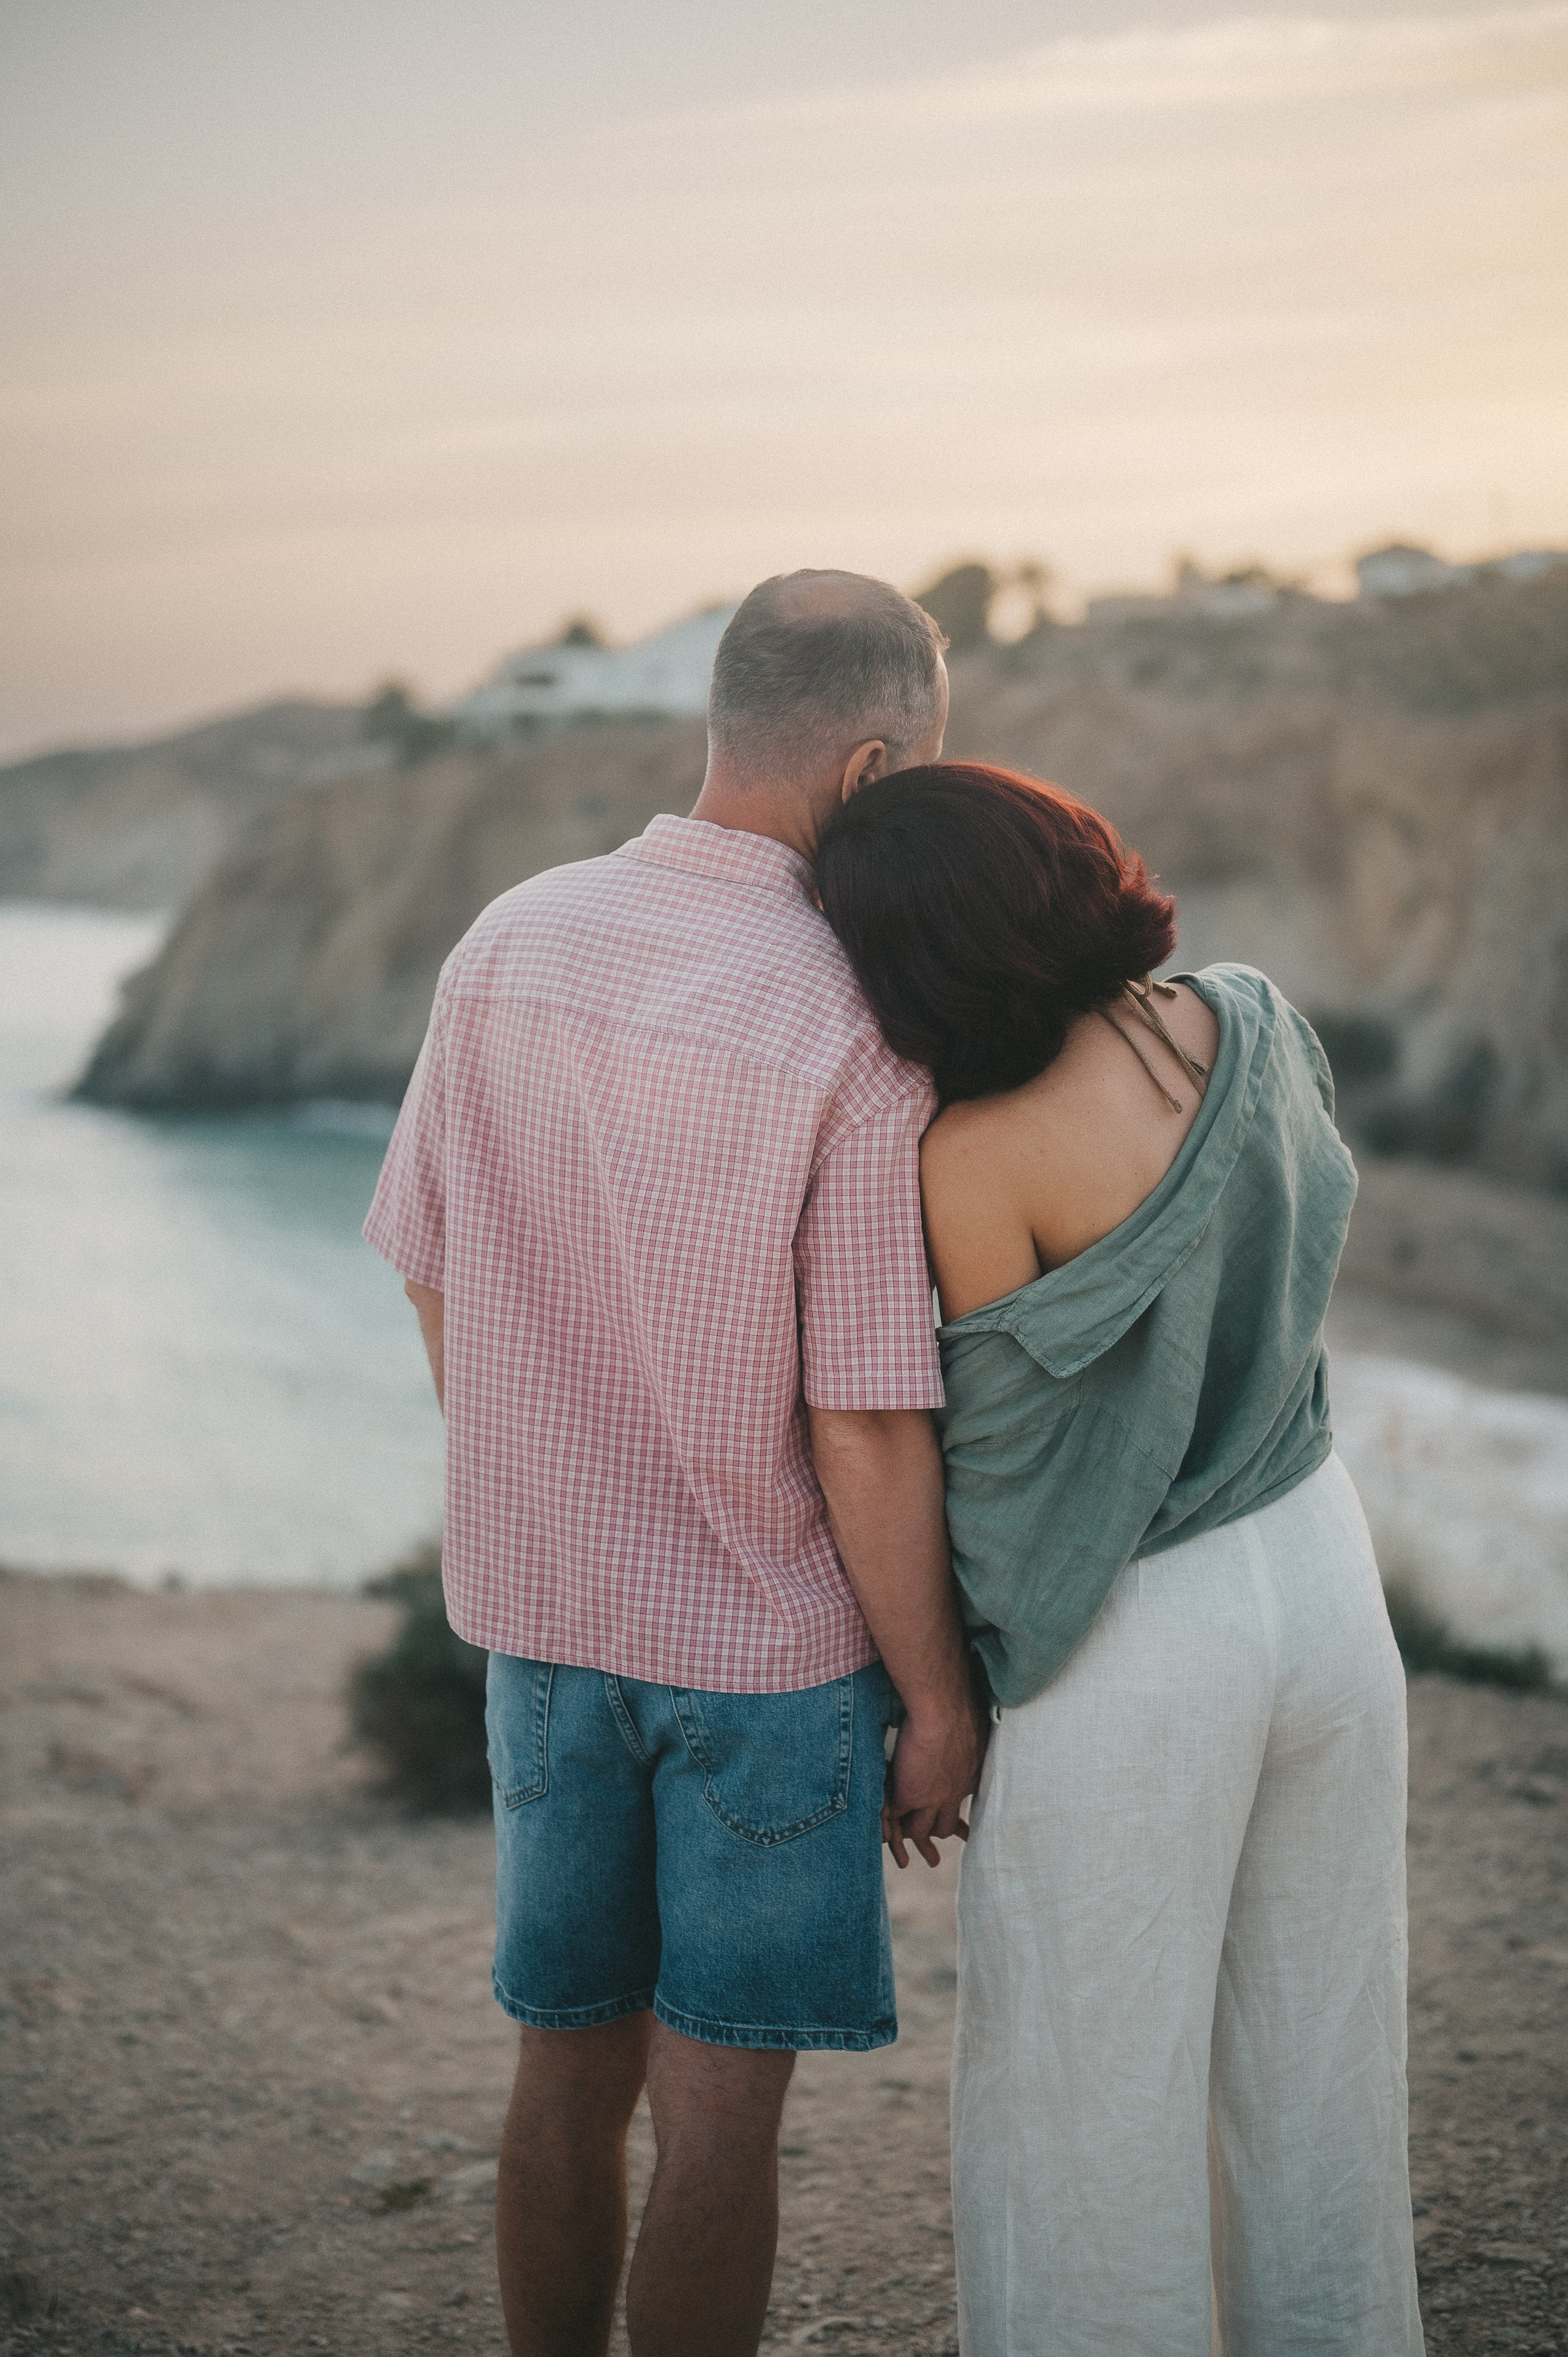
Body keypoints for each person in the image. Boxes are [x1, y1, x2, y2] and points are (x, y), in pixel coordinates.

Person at [363, 571, 986, 2357]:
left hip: (547, 1634)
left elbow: (427, 1261)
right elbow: (863, 1417)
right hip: (768, 1668)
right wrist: (937, 1700)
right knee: (718, 2124)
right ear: (872, 768)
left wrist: (545, 1480)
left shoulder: (509, 940)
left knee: (561, 2078)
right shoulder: (859, 1016)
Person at [816, 761, 1425, 2357]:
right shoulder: (1254, 1017)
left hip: (1137, 1634)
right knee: (1324, 2075)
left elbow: (1009, 1485)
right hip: (1325, 1574)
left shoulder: (974, 1151)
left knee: (1086, 2112)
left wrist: (952, 1701)